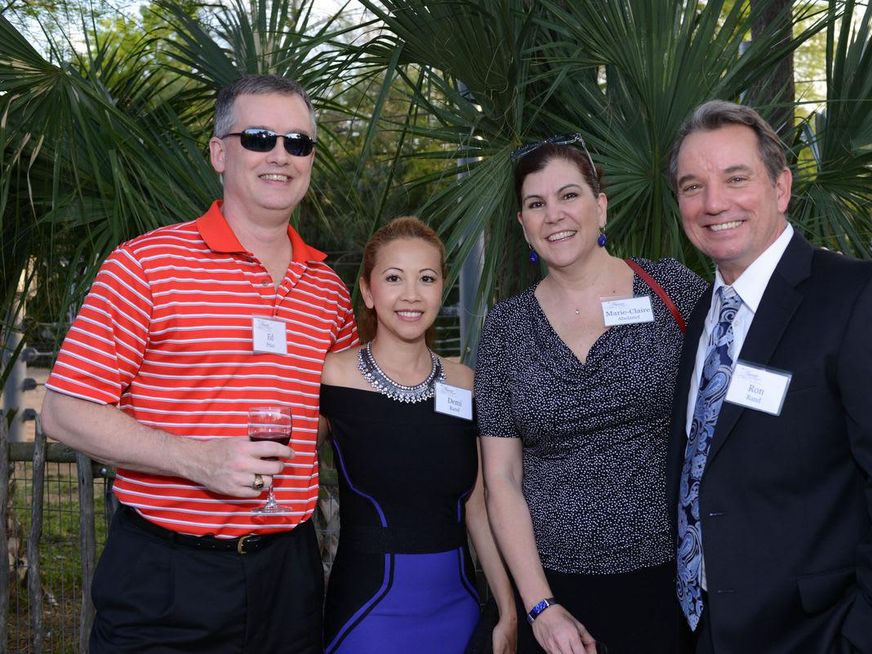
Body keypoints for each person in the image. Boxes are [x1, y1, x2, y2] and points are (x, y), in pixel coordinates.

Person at [39, 74, 358, 653]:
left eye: (299, 142)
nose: (281, 156)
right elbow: (63, 413)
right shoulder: (145, 266)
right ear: (219, 152)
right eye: (259, 138)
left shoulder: (328, 291)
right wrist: (199, 459)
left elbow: (336, 411)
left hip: (290, 573)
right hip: (167, 575)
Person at [668, 100, 872, 654]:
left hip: (823, 634)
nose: (713, 203)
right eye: (691, 186)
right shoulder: (704, 316)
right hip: (710, 629)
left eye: (737, 178)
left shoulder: (862, 298)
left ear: (781, 188)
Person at [476, 133, 707, 654]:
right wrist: (540, 607)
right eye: (536, 204)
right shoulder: (505, 329)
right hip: (553, 590)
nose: (553, 214)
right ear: (522, 224)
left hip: (671, 582)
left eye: (569, 195)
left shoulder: (674, 291)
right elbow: (501, 478)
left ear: (601, 206)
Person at [319, 216, 517, 653]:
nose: (411, 294)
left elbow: (479, 505)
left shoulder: (466, 383)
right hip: (367, 615)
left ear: (441, 289)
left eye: (426, 278)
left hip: (460, 610)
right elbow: (288, 470)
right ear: (368, 292)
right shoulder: (333, 376)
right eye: (394, 278)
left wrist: (506, 610)